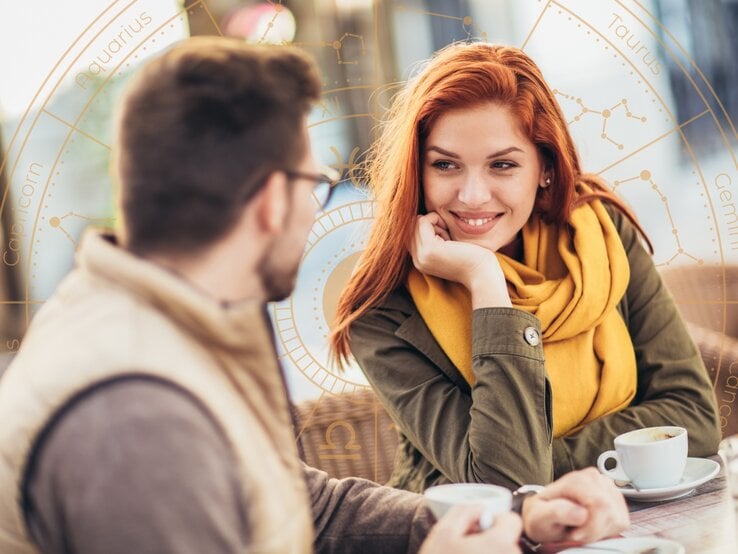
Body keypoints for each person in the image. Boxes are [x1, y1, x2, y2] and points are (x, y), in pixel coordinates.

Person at [0, 37, 628, 554]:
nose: (317, 205)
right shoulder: (135, 418)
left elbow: (310, 507)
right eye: (315, 182)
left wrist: (515, 516)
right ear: (274, 200)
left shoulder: (161, 322)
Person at [331, 42, 721, 492]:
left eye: (502, 165)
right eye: (445, 165)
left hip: (642, 520)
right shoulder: (385, 310)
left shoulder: (598, 232)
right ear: (416, 172)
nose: (472, 195)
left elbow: (693, 417)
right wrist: (484, 280)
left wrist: (543, 458)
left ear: (545, 168)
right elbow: (506, 481)